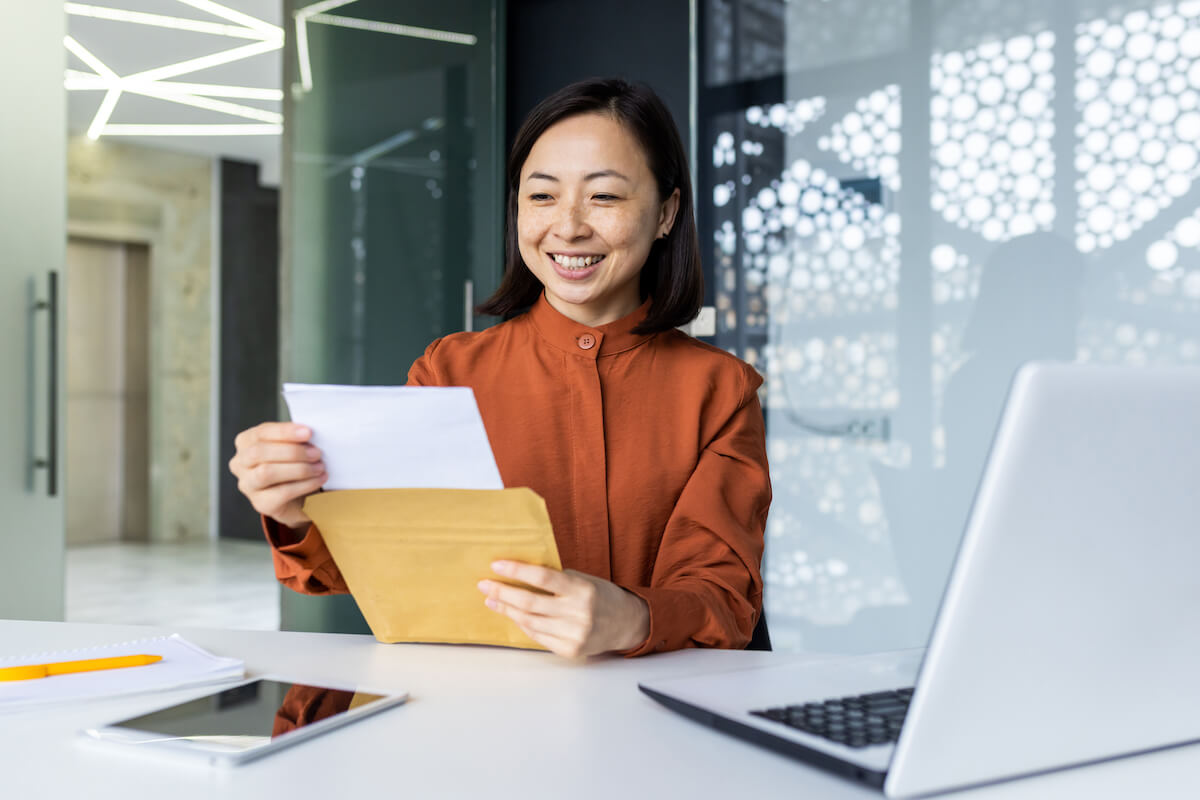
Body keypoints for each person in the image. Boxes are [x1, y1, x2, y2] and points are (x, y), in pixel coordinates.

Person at [229, 78, 771, 659]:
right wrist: (295, 513)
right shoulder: (449, 371)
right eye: (542, 197)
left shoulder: (721, 391)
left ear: (666, 213)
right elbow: (378, 563)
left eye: (604, 197)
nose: (568, 227)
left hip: (652, 717)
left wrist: (634, 617)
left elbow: (722, 596)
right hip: (473, 712)